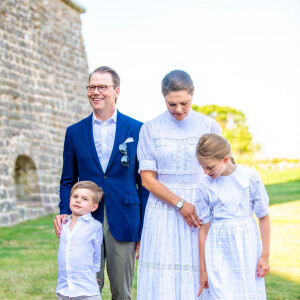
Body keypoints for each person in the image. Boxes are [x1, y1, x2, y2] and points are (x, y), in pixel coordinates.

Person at [53, 66, 149, 300]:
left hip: (125, 218)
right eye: (91, 87)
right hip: (85, 220)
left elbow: (144, 184)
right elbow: (67, 180)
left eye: (102, 87)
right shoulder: (74, 132)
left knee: (122, 292)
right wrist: (65, 211)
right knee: (85, 290)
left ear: (116, 91)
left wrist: (144, 228)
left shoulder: (137, 129)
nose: (96, 92)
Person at [136, 70, 221, 299]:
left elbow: (220, 170)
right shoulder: (150, 128)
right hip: (163, 210)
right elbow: (147, 179)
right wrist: (180, 203)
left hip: (201, 209)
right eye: (171, 104)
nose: (179, 109)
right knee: (164, 271)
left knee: (200, 268)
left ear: (192, 95)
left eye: (184, 102)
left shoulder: (209, 125)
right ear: (163, 97)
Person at [196, 133, 270, 299]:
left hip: (247, 249)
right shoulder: (203, 185)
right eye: (202, 167)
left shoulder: (250, 178)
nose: (206, 171)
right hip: (218, 250)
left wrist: (265, 256)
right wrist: (203, 270)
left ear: (225, 159)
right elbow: (204, 229)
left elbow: (263, 216)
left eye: (210, 166)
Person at [56, 181, 104, 300]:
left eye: (84, 199)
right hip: (64, 287)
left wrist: (94, 275)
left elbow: (96, 254)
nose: (78, 200)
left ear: (94, 207)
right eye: (75, 196)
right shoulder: (64, 224)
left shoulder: (95, 226)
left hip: (86, 289)